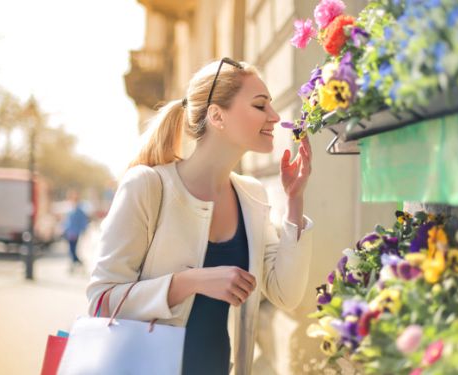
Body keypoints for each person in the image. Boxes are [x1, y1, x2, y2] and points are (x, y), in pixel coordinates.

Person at [86, 57, 314, 375]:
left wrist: (295, 200)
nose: (274, 117)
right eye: (260, 106)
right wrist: (190, 282)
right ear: (217, 116)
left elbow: (286, 294)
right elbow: (101, 299)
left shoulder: (252, 195)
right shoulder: (148, 186)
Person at [63, 189, 89, 273]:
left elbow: (83, 221)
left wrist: (83, 230)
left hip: (74, 233)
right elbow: (67, 221)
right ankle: (75, 264)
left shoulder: (79, 209)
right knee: (71, 250)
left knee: (72, 250)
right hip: (69, 232)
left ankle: (78, 263)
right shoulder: (70, 207)